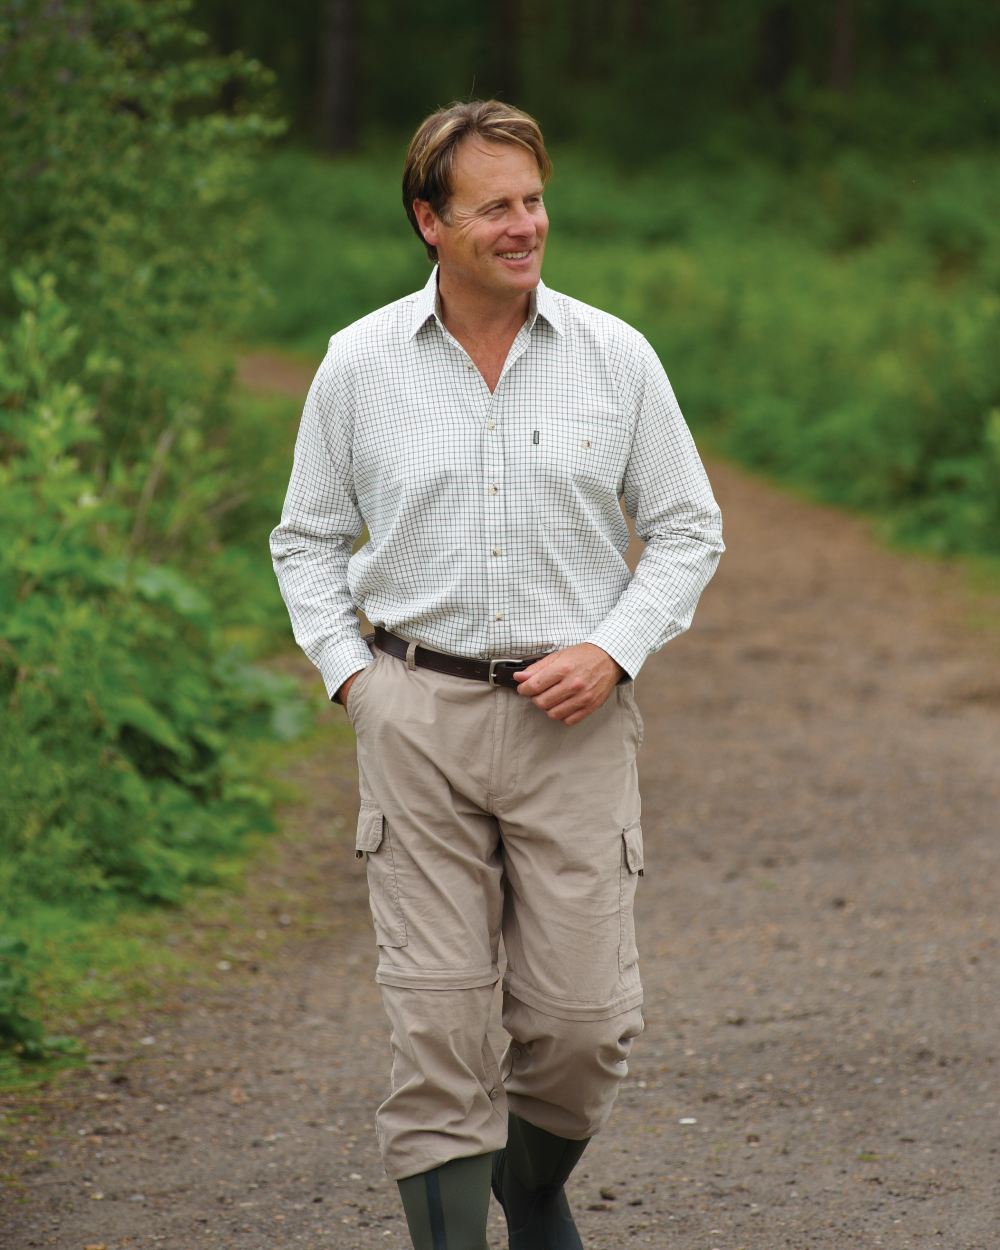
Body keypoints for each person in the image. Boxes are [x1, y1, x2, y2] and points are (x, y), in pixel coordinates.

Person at [270, 99, 724, 1250]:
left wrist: (613, 646)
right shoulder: (360, 364)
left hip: (572, 728)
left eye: (533, 200)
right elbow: (307, 541)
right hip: (413, 715)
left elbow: (685, 528)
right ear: (430, 220)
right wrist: (353, 682)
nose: (525, 225)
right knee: (439, 1028)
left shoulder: (614, 356)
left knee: (582, 1024)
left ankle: (531, 1183)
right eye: (494, 207)